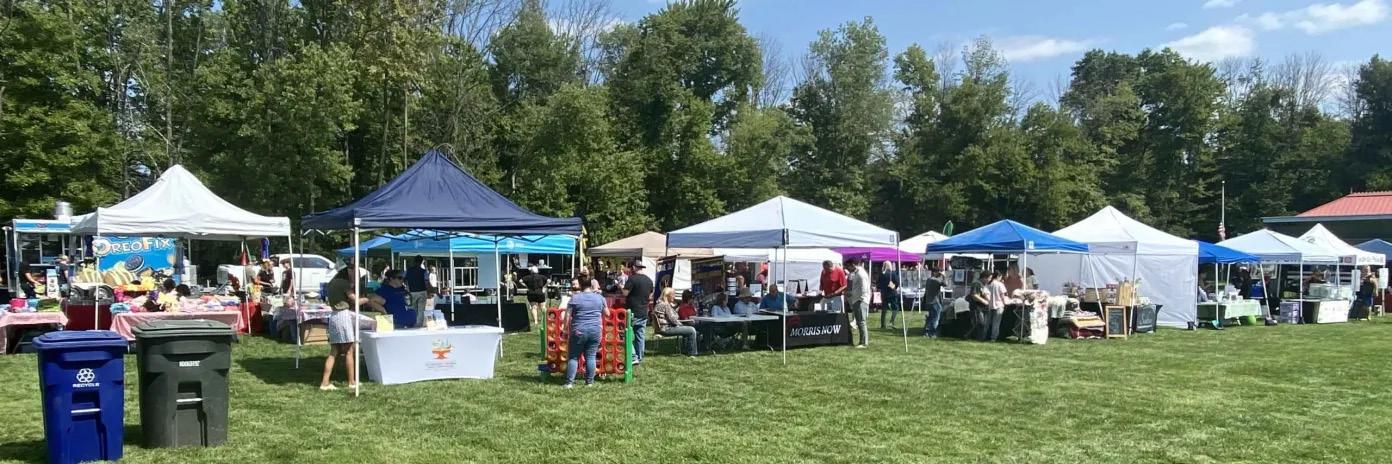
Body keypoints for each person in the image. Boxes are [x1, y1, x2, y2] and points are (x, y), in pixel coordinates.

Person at [321, 267, 384, 391]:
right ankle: (352, 382)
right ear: (348, 273)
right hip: (343, 316)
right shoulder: (344, 283)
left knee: (334, 352)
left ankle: (325, 382)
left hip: (333, 316)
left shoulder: (332, 283)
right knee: (349, 350)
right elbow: (355, 300)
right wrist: (368, 299)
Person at [563, 278, 609, 388]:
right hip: (595, 330)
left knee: (574, 357)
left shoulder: (575, 298)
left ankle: (569, 383)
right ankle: (589, 382)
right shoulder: (600, 298)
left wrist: (565, 328)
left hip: (579, 330)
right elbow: (607, 313)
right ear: (591, 286)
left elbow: (567, 315)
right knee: (591, 356)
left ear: (580, 285)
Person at [622, 260, 653, 365]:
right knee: (640, 335)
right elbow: (650, 297)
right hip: (643, 311)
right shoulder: (649, 280)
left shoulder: (632, 279)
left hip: (632, 311)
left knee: (624, 334)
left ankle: (633, 356)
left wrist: (620, 286)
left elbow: (625, 293)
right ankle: (639, 357)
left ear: (634, 267)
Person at [654, 288, 698, 356]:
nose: (674, 297)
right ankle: (692, 353)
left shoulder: (659, 303)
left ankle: (685, 350)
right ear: (667, 295)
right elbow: (673, 320)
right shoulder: (665, 305)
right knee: (691, 330)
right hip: (666, 329)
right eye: (673, 295)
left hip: (661, 328)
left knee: (687, 329)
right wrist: (681, 324)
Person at [846, 259, 871, 348]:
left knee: (861, 322)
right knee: (860, 322)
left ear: (853, 265)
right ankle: (862, 341)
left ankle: (863, 343)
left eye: (848, 266)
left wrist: (861, 299)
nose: (848, 269)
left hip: (860, 300)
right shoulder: (857, 273)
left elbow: (864, 288)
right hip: (857, 300)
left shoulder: (861, 274)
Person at [922, 269, 946, 338]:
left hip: (929, 302)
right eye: (939, 273)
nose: (939, 274)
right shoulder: (935, 280)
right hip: (935, 302)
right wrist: (944, 276)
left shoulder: (928, 280)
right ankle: (932, 333)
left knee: (930, 318)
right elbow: (945, 284)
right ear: (935, 272)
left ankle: (926, 332)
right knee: (935, 318)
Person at [985, 271, 1009, 342]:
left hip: (990, 305)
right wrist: (1005, 303)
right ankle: (993, 338)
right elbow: (1003, 295)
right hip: (999, 305)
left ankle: (984, 335)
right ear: (998, 276)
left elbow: (985, 293)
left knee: (987, 322)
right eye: (1001, 277)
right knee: (996, 323)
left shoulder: (988, 284)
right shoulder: (1000, 284)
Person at [878, 261, 901, 330]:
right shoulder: (893, 273)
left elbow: (878, 284)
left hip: (884, 293)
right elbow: (897, 283)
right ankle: (891, 322)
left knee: (884, 309)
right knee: (895, 308)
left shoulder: (882, 274)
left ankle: (883, 324)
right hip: (892, 293)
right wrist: (894, 287)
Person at [969, 272, 990, 341]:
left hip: (983, 307)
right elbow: (974, 295)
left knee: (982, 324)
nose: (989, 280)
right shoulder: (976, 284)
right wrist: (984, 301)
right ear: (984, 277)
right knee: (979, 323)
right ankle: (969, 336)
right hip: (977, 307)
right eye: (989, 278)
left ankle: (980, 338)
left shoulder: (983, 285)